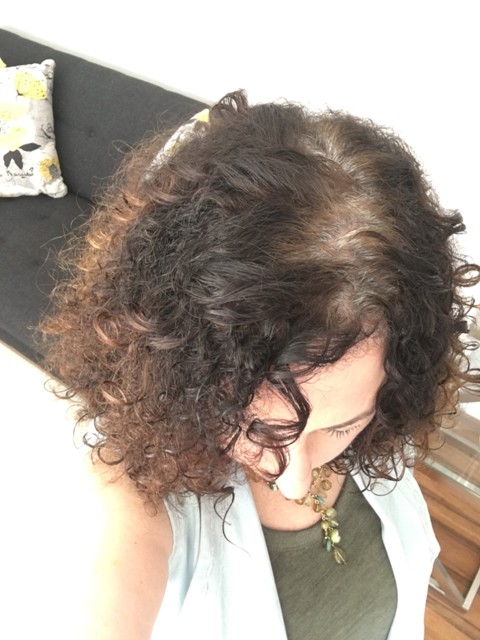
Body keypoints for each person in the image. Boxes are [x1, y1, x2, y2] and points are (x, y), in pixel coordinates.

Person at [39, 90, 480, 640]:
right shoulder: (133, 501)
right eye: (253, 427)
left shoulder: (381, 401)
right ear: (185, 371)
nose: (294, 481)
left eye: (339, 428)